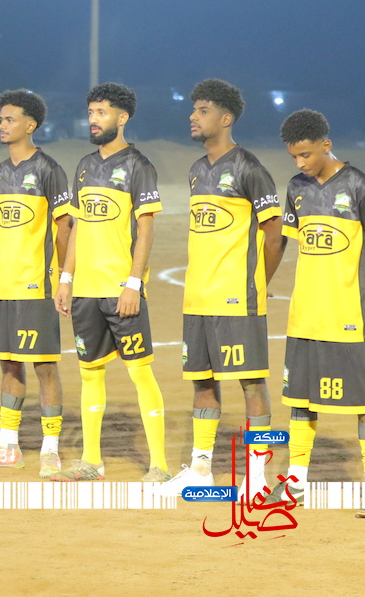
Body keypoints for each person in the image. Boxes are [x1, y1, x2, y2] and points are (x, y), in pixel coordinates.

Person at [158, 79, 284, 499]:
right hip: (197, 297)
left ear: (226, 118)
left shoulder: (249, 168)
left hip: (236, 298)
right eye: (193, 109)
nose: (193, 116)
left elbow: (274, 236)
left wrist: (256, 283)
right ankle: (200, 469)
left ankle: (257, 478)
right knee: (202, 382)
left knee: (251, 383)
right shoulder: (197, 170)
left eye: (203, 110)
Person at [53, 82, 171, 482]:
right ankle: (92, 460)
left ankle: (159, 465)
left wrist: (133, 283)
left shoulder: (138, 165)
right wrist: (66, 278)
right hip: (85, 290)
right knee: (89, 373)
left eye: (101, 113)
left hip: (121, 290)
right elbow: (76, 227)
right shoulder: (84, 165)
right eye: (90, 112)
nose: (93, 119)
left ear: (122, 118)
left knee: (140, 373)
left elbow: (146, 229)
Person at [263, 109, 365, 516]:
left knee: (364, 401)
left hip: (346, 313)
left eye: (306, 154)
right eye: (294, 156)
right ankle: (295, 482)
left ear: (326, 145)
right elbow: (284, 244)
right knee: (300, 397)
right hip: (304, 314)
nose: (300, 163)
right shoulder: (297, 188)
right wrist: (259, 283)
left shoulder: (361, 186)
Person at [0, 89, 71, 477]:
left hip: (35, 286)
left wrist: (64, 278)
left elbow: (65, 227)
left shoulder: (48, 169)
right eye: (1, 119)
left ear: (31, 125)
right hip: (2, 286)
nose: (2, 125)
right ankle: (8, 445)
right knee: (8, 366)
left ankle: (50, 450)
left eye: (10, 119)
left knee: (44, 367)